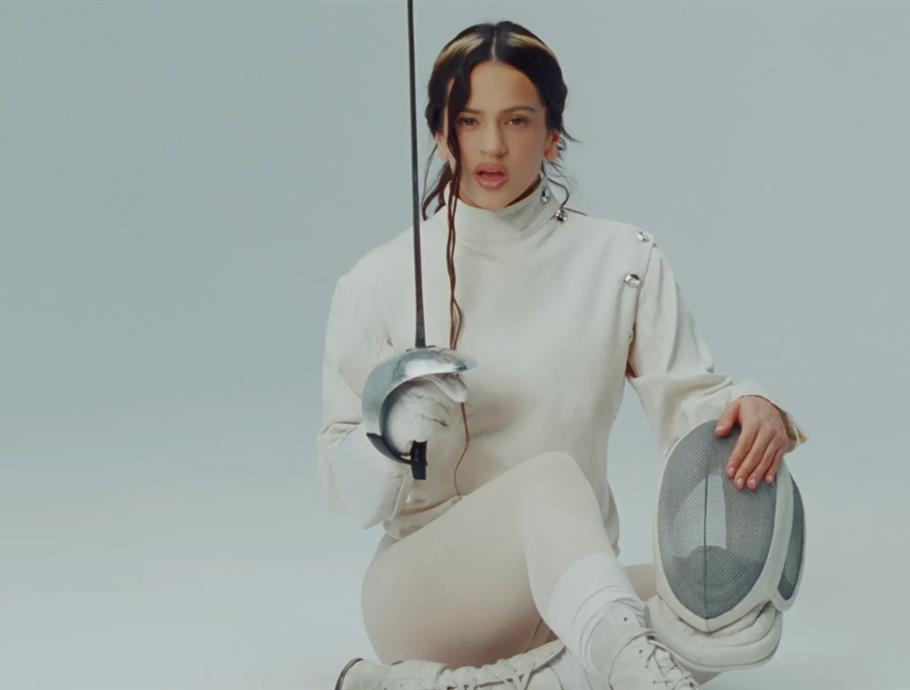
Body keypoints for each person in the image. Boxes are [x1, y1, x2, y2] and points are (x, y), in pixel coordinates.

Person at [317, 20, 807, 690]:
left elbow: (690, 405)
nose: (492, 145)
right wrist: (388, 433)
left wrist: (753, 407)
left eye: (516, 120)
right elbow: (344, 491)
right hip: (426, 600)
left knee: (732, 601)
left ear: (552, 133)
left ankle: (466, 684)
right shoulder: (376, 281)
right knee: (549, 479)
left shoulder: (624, 259)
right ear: (440, 133)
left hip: (570, 585)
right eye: (469, 121)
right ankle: (634, 674)